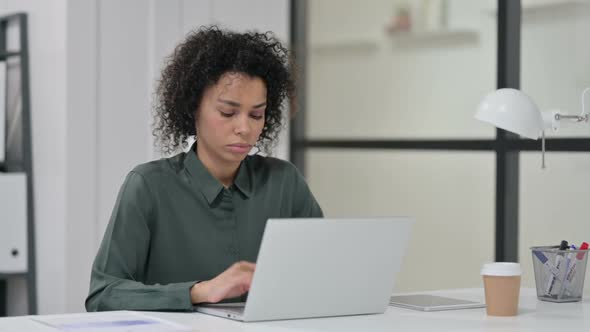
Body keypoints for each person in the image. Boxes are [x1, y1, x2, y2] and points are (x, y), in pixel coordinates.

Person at [85, 26, 323, 312]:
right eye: (227, 112)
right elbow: (103, 294)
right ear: (192, 108)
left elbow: (322, 273)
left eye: (256, 114)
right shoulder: (148, 185)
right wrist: (200, 291)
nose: (244, 128)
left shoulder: (285, 182)